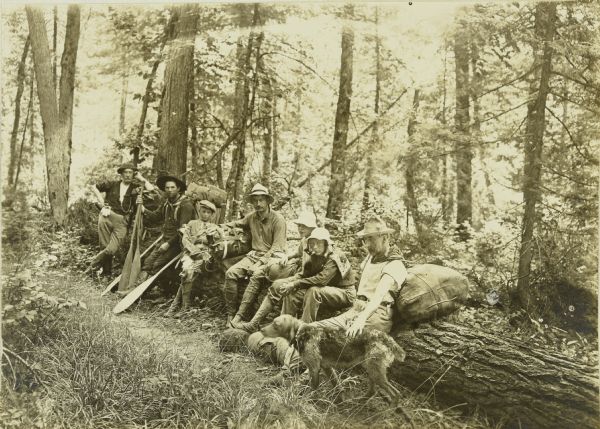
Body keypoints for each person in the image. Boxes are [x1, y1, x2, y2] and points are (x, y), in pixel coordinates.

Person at [312, 217, 407, 337]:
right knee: (312, 328)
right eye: (366, 239)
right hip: (356, 310)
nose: (367, 244)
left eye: (371, 238)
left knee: (343, 341)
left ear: (385, 237)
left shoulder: (394, 264)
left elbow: (378, 297)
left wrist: (360, 320)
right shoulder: (371, 258)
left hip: (377, 315)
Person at [232, 212, 321, 331]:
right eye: (299, 225)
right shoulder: (305, 240)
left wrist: (294, 281)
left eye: (303, 226)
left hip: (309, 280)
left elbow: (315, 272)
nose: (300, 228)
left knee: (278, 286)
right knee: (264, 275)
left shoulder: (316, 243)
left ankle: (256, 324)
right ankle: (248, 320)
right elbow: (297, 253)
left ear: (312, 227)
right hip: (302, 275)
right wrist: (287, 257)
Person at [118, 173, 195, 296]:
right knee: (148, 262)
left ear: (179, 189)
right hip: (164, 239)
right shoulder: (166, 203)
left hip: (178, 243)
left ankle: (139, 292)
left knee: (157, 265)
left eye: (172, 187)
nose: (169, 190)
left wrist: (168, 244)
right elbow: (155, 217)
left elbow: (183, 231)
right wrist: (142, 208)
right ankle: (134, 289)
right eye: (167, 188)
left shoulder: (185, 205)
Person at [222, 183, 287, 327]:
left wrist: (260, 262)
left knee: (255, 277)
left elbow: (277, 247)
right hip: (253, 255)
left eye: (261, 200)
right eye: (255, 200)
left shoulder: (278, 220)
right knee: (230, 273)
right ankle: (230, 314)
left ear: (267, 201)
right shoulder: (252, 217)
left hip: (272, 258)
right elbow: (238, 223)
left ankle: (240, 316)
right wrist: (223, 227)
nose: (258, 204)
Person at [87, 163, 154, 277]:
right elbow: (93, 187)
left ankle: (91, 266)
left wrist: (141, 178)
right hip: (106, 216)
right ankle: (106, 274)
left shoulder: (136, 187)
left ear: (134, 174)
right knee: (104, 245)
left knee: (112, 249)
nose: (128, 175)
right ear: (121, 174)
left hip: (123, 220)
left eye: (130, 173)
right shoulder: (112, 184)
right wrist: (102, 202)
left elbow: (151, 190)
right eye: (125, 172)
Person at [278, 227, 356, 324]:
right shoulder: (315, 255)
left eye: (318, 243)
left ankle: (304, 328)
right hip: (326, 290)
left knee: (313, 290)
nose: (315, 246)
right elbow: (306, 275)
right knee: (291, 293)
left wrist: (295, 284)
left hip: (345, 292)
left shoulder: (335, 257)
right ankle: (284, 326)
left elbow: (321, 280)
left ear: (326, 243)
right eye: (312, 243)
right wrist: (290, 284)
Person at [165, 200, 220, 317]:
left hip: (205, 256)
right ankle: (182, 306)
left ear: (212, 215)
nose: (205, 214)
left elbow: (215, 244)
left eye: (208, 213)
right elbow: (185, 240)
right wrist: (193, 251)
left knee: (188, 272)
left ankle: (179, 306)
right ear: (199, 211)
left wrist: (209, 241)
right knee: (186, 270)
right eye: (203, 211)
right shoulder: (191, 223)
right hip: (190, 253)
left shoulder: (214, 227)